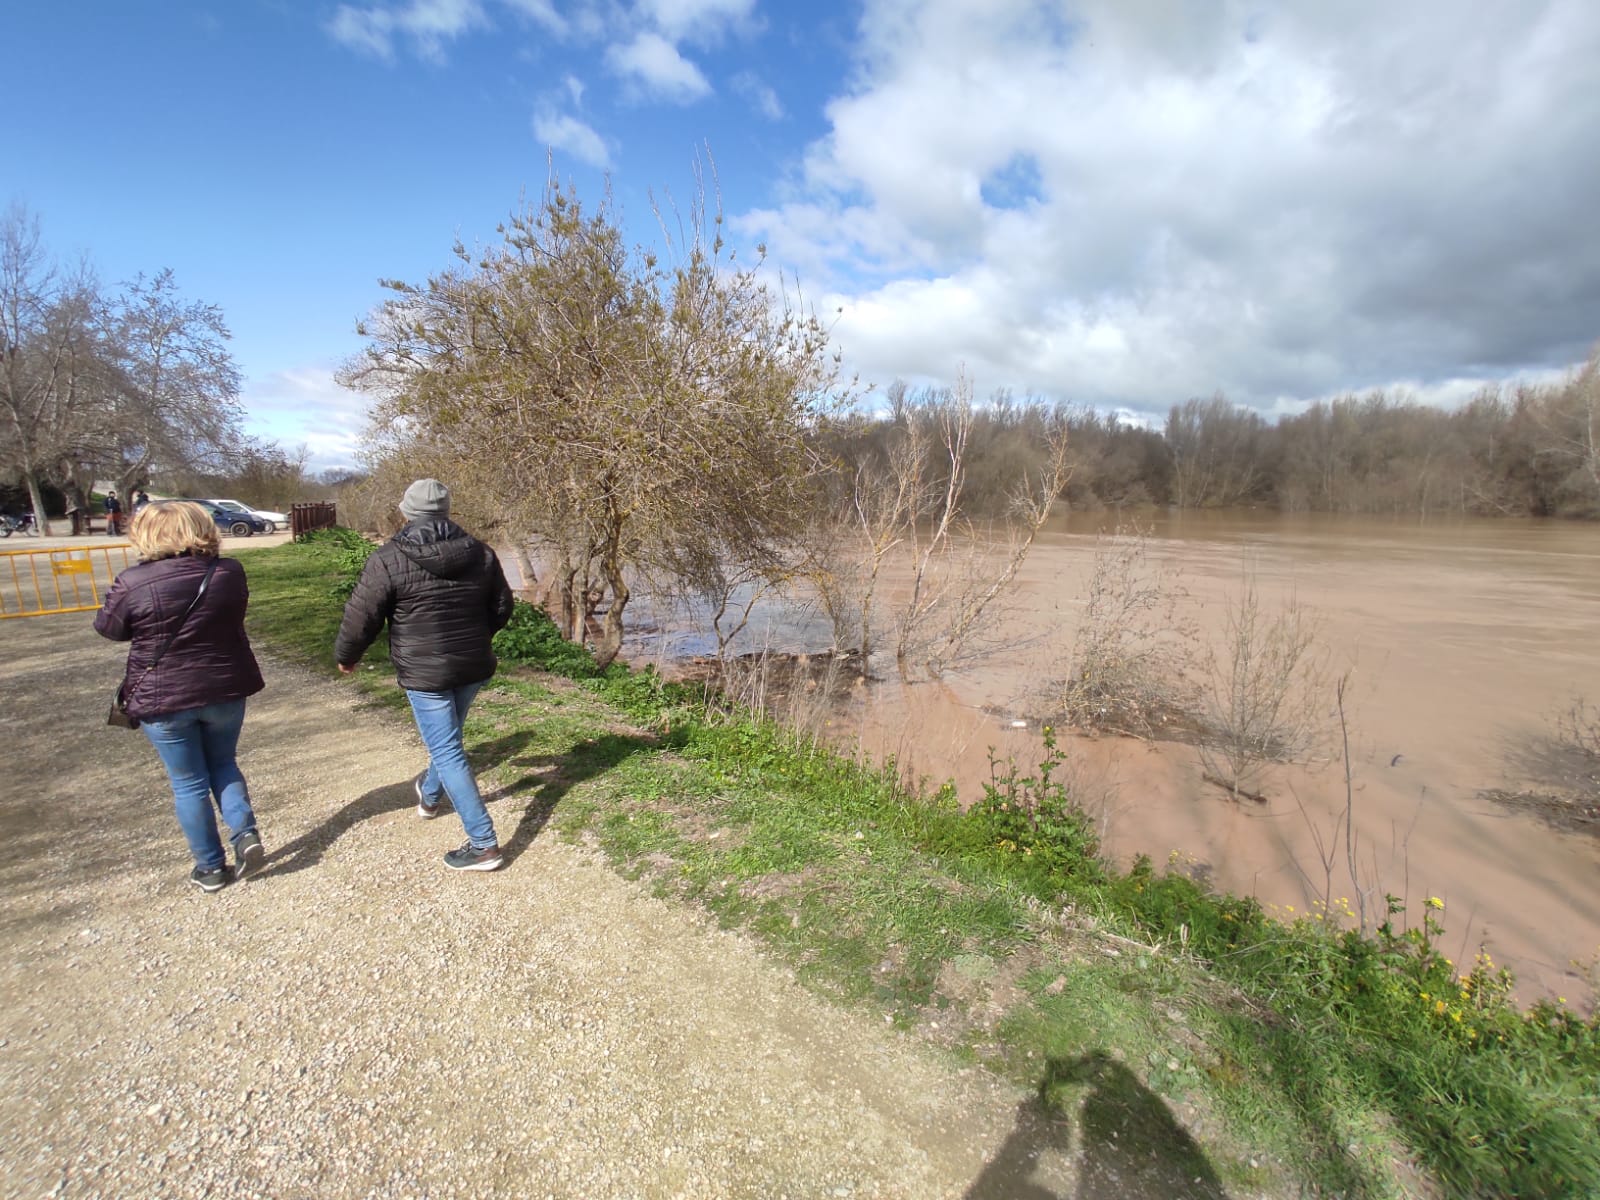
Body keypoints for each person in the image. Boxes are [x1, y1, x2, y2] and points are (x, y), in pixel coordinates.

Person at [334, 479, 515, 871]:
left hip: (425, 672)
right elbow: (502, 606)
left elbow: (361, 616)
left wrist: (347, 656)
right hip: (472, 666)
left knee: (447, 749)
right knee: (448, 742)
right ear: (447, 511)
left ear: (407, 512)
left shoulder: (387, 558)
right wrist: (478, 637)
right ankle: (431, 797)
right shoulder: (481, 553)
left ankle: (483, 844)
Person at [94, 501, 268, 892]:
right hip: (224, 687)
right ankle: (245, 835)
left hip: (164, 697)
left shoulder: (133, 581)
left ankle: (210, 867)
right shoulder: (229, 573)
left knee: (189, 782)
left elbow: (110, 628)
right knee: (224, 763)